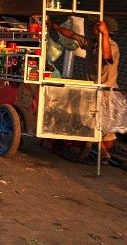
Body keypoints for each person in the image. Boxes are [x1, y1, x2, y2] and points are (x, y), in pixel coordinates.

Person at [50, 15, 120, 159]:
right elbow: (73, 35)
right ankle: (101, 152)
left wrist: (105, 34)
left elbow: (106, 57)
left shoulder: (111, 46)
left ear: (103, 27)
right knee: (92, 123)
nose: (92, 27)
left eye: (96, 25)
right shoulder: (91, 43)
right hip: (93, 91)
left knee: (106, 128)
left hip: (106, 91)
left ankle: (104, 153)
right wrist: (55, 27)